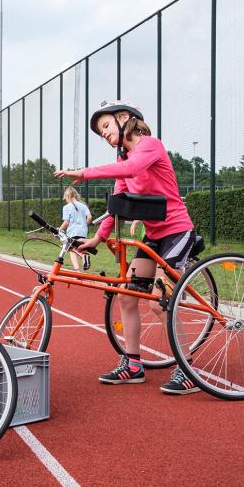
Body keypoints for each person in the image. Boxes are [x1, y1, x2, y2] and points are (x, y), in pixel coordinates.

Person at [54, 100, 200, 395]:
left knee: (160, 301)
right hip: (154, 235)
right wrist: (96, 239)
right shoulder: (124, 163)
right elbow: (116, 206)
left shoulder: (150, 146)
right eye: (100, 132)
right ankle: (133, 364)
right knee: (126, 297)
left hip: (177, 231)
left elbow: (133, 168)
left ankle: (188, 370)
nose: (104, 134)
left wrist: (85, 172)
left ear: (124, 119)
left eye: (106, 126)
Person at [59, 187, 92, 272]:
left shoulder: (66, 207)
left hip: (72, 232)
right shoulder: (83, 205)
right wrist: (84, 224)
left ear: (67, 196)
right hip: (83, 232)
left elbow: (66, 222)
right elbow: (89, 217)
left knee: (71, 250)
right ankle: (84, 257)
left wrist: (59, 230)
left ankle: (77, 270)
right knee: (80, 248)